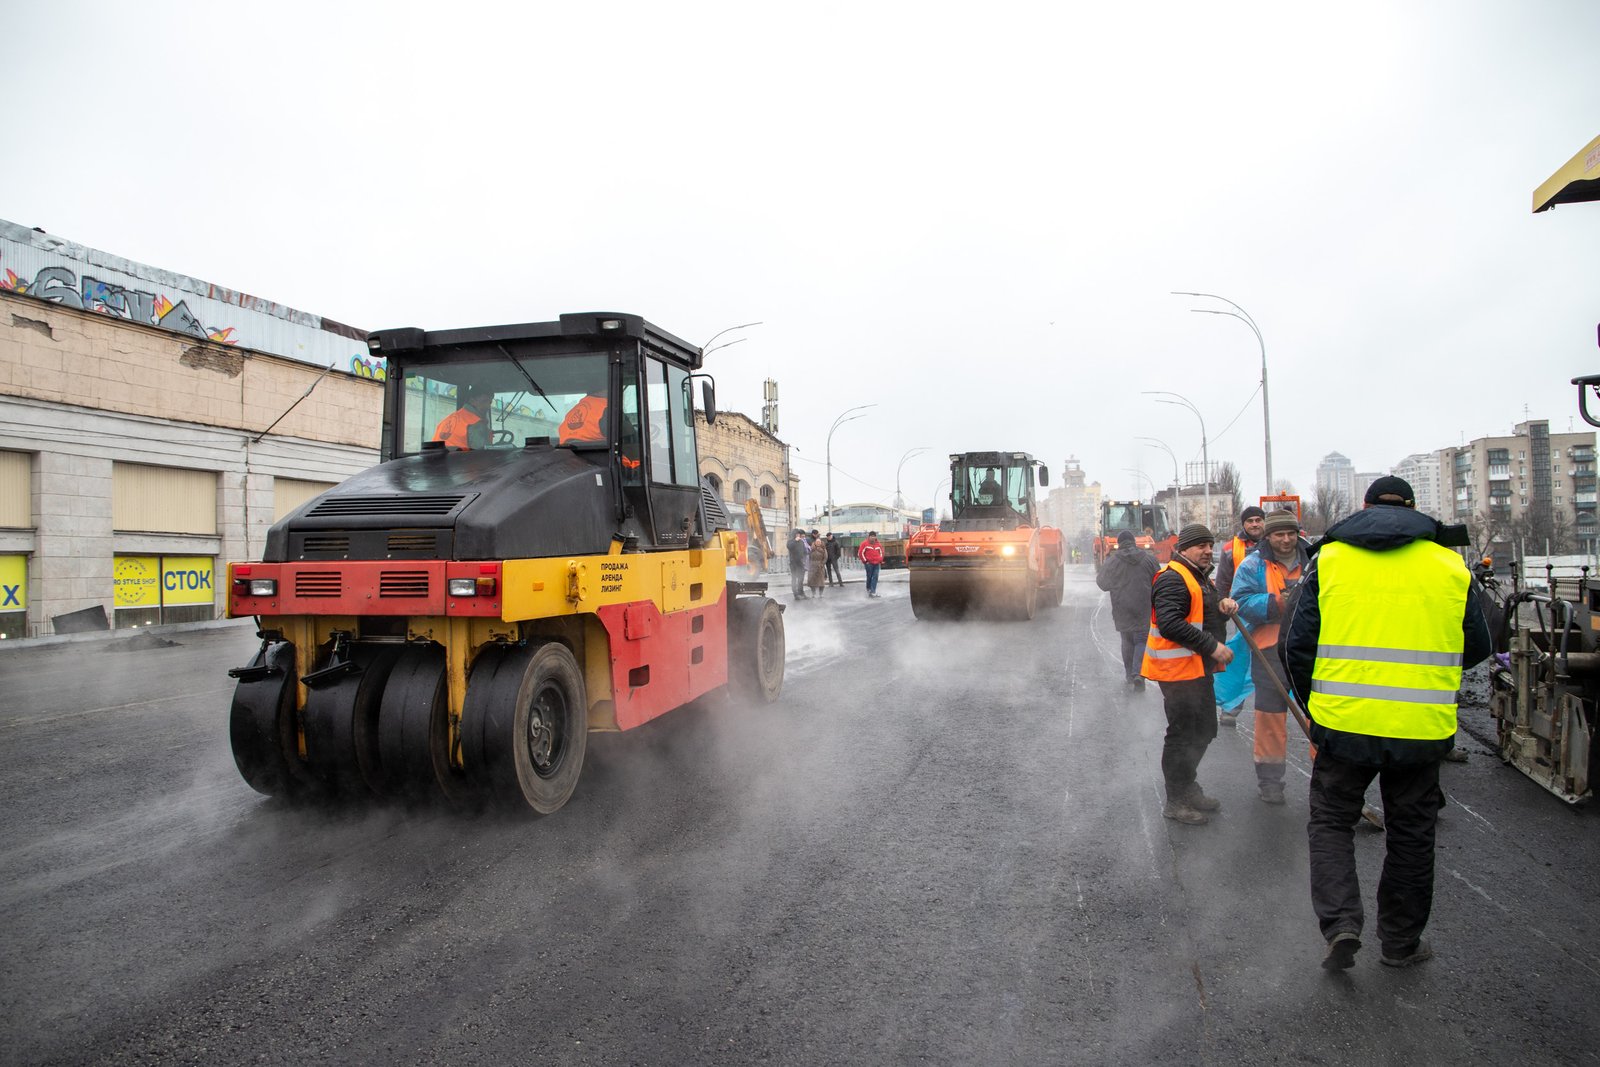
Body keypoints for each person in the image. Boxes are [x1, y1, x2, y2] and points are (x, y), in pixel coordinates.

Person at [1282, 476, 1491, 970]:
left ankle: (1341, 925)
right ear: (1415, 510)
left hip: (1343, 724)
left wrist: (1316, 706)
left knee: (1332, 822)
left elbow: (1294, 643)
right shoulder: (1449, 565)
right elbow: (1482, 642)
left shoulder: (1328, 561)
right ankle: (1400, 943)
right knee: (1412, 833)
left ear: (1365, 507)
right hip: (1420, 727)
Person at [1142, 524, 1238, 824]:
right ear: (1183, 548)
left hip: (1197, 669)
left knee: (1205, 729)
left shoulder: (1199, 577)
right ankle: (1176, 799)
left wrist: (1222, 607)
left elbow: (1201, 613)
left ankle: (1188, 785)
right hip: (1178, 672)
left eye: (1210, 545)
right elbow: (1171, 623)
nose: (1208, 550)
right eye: (1201, 545)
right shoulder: (1172, 578)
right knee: (1182, 735)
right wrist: (1212, 646)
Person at [1230, 510, 1311, 804]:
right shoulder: (1252, 565)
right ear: (1269, 536)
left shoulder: (1315, 561)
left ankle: (1330, 779)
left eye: (1291, 533)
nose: (1286, 540)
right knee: (1269, 719)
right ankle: (1270, 781)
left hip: (1309, 651)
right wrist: (1278, 602)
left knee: (1319, 716)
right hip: (1268, 650)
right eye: (1279, 534)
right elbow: (1240, 601)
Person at [1213, 505, 1266, 726]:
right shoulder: (1230, 549)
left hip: (1272, 610)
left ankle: (1270, 710)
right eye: (1250, 521)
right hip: (1242, 612)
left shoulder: (1276, 542)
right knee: (1242, 658)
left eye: (1258, 520)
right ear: (1243, 524)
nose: (1255, 524)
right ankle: (1231, 708)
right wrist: (1222, 607)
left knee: (1272, 661)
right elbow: (1223, 582)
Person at [1096, 529, 1160, 689]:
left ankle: (1129, 675)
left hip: (1121, 606)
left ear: (1119, 543)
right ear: (1134, 542)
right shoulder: (1148, 559)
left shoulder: (1112, 561)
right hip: (1143, 605)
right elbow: (1160, 580)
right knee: (1141, 639)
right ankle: (1138, 673)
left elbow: (1102, 583)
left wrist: (1116, 586)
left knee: (1127, 640)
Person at [433, 385, 493, 450]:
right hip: (461, 459)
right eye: (484, 401)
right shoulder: (475, 423)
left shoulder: (446, 421)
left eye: (490, 402)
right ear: (472, 401)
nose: (488, 406)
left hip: (436, 459)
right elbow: (484, 453)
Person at [858, 532, 884, 598]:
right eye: (871, 536)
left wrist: (880, 560)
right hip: (869, 563)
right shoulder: (864, 544)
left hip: (876, 564)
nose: (873, 538)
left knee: (875, 577)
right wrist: (865, 561)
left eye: (874, 536)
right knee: (869, 577)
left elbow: (881, 553)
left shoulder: (878, 544)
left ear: (875, 537)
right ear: (869, 537)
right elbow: (861, 553)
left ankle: (873, 592)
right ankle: (868, 589)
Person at [787, 529, 809, 600]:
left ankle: (801, 593)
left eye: (799, 534)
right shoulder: (791, 541)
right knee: (794, 579)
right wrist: (795, 540)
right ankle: (795, 594)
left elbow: (804, 551)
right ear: (794, 535)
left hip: (801, 563)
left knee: (801, 579)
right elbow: (789, 547)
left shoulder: (801, 542)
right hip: (793, 563)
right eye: (796, 534)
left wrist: (804, 557)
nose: (798, 536)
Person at [806, 529, 828, 598]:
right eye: (817, 542)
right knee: (812, 582)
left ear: (821, 542)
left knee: (821, 582)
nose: (818, 543)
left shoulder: (823, 549)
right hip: (812, 566)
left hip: (820, 566)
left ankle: (821, 594)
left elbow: (825, 557)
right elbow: (808, 557)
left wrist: (822, 564)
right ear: (815, 542)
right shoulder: (811, 549)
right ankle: (813, 593)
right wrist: (809, 565)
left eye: (819, 542)